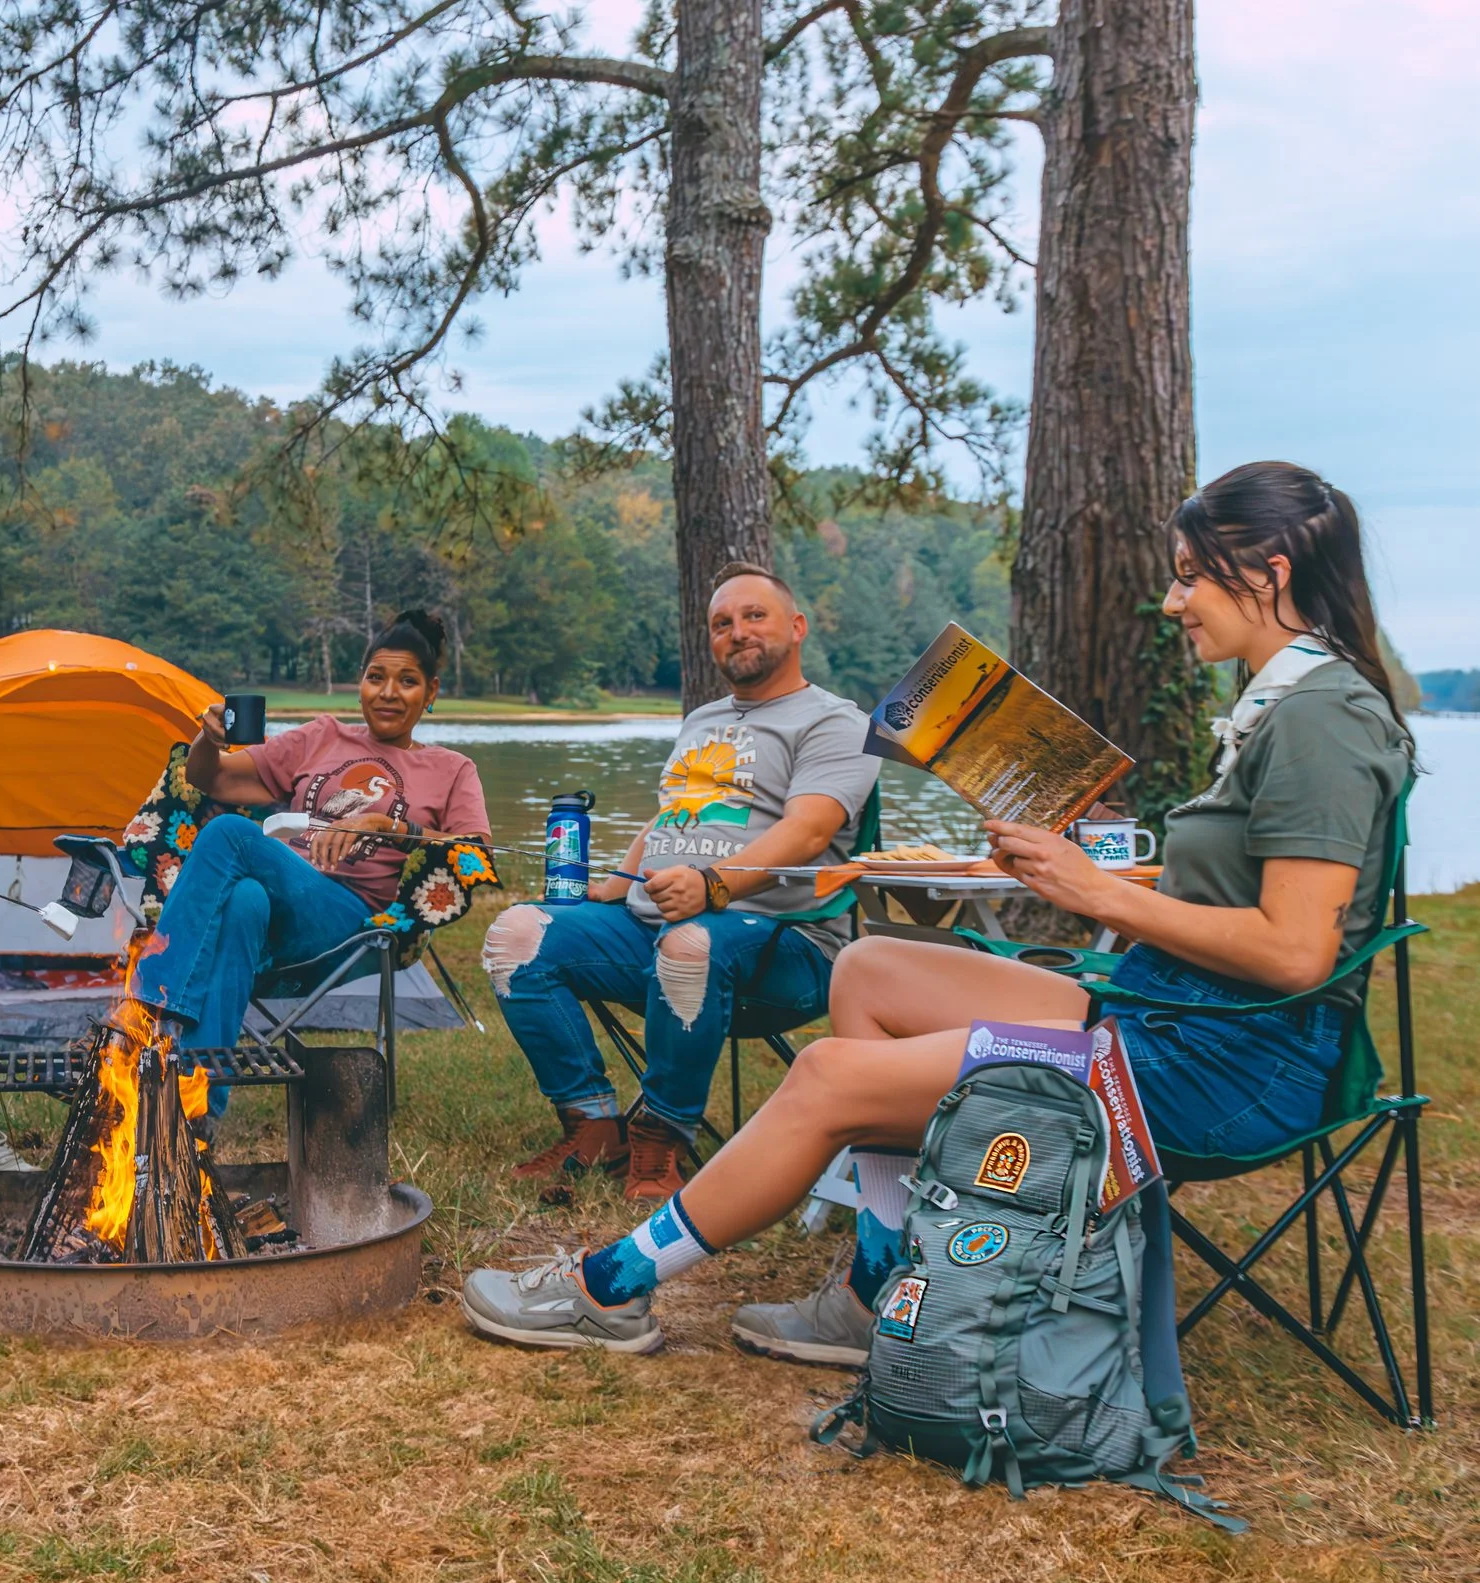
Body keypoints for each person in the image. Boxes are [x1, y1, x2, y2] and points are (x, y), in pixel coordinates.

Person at [459, 462, 1414, 1362]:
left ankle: (608, 1287)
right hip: (1165, 1014)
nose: (1172, 602)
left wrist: (1096, 894)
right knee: (869, 968)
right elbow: (1242, 895)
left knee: (832, 1074)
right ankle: (875, 1292)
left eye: (1190, 579)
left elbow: (1294, 951)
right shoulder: (1285, 705)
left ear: (1270, 572)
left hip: (1218, 1061)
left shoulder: (1322, 717)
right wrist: (1081, 869)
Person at [482, 565, 879, 1205]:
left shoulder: (836, 722)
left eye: (755, 616)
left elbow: (808, 832)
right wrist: (618, 880)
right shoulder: (703, 719)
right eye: (722, 624)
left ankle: (660, 1138)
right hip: (657, 924)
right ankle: (592, 1125)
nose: (737, 632)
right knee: (516, 935)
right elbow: (672, 810)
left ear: (797, 627)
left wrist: (714, 885)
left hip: (787, 945)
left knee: (690, 944)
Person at [128, 609, 489, 1113]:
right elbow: (213, 779)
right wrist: (209, 740)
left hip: (348, 918)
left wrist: (390, 827)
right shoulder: (321, 736)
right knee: (245, 902)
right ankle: (196, 1109)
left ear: (431, 693)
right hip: (279, 902)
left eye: (407, 682)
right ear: (358, 684)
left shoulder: (451, 769)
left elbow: (476, 851)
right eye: (375, 677)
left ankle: (150, 1004)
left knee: (230, 832)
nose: (388, 692)